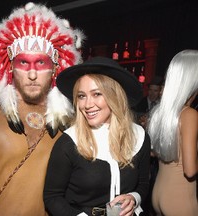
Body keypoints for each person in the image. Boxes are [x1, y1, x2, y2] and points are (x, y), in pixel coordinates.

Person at [0, 2, 85, 215]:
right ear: (10, 66)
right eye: (23, 62)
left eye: (40, 63)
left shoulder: (71, 121)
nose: (31, 74)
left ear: (55, 68)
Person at [43, 56, 151, 216]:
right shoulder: (69, 142)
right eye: (81, 96)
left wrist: (133, 198)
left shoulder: (139, 136)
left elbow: (143, 184)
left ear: (114, 96)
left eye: (96, 94)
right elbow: (52, 197)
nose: (87, 104)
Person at [148, 50, 198, 216]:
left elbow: (154, 152)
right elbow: (190, 170)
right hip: (180, 198)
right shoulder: (189, 114)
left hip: (158, 193)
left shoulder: (161, 112)